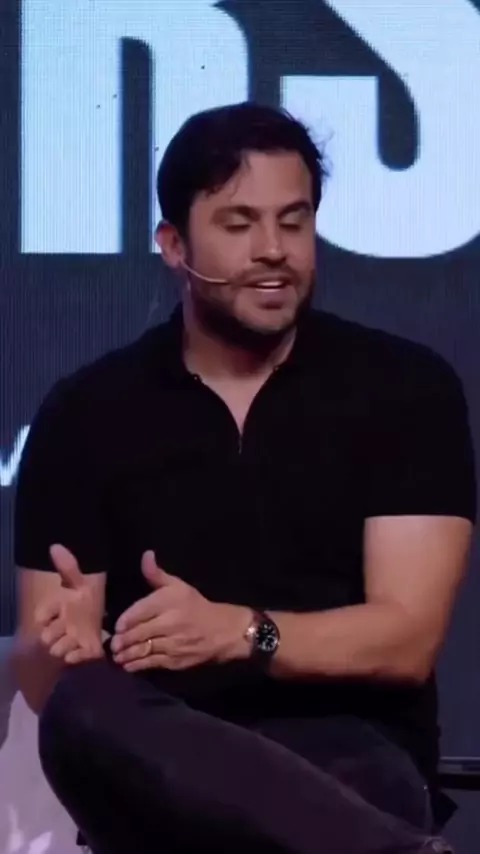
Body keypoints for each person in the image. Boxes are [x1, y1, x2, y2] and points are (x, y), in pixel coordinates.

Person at [12, 102, 476, 854]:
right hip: (160, 755)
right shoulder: (86, 411)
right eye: (239, 224)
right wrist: (55, 649)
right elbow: (46, 682)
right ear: (173, 244)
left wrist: (238, 632)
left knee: (349, 787)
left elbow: (405, 639)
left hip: (346, 753)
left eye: (294, 222)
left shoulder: (404, 389)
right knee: (84, 707)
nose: (273, 251)